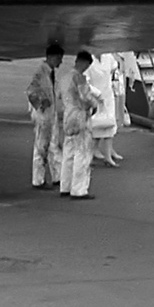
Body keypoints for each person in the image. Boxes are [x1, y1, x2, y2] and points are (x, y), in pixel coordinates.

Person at [58, 51, 104, 198]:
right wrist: (94, 104)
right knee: (82, 153)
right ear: (85, 63)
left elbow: (59, 95)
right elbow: (85, 96)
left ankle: (65, 185)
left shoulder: (64, 78)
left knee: (68, 152)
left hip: (67, 115)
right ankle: (79, 189)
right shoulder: (80, 78)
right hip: (80, 116)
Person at [24, 44, 65, 189]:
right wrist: (41, 102)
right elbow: (31, 91)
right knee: (42, 146)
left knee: (52, 144)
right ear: (53, 57)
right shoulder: (41, 72)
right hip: (44, 114)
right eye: (59, 59)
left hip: (49, 113)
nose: (61, 62)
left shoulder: (49, 72)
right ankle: (39, 179)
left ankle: (57, 176)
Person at [87, 53, 123, 166]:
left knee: (110, 124)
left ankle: (108, 154)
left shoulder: (108, 57)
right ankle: (92, 152)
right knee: (96, 126)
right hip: (95, 97)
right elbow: (85, 82)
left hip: (108, 95)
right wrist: (96, 94)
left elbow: (114, 68)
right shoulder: (89, 60)